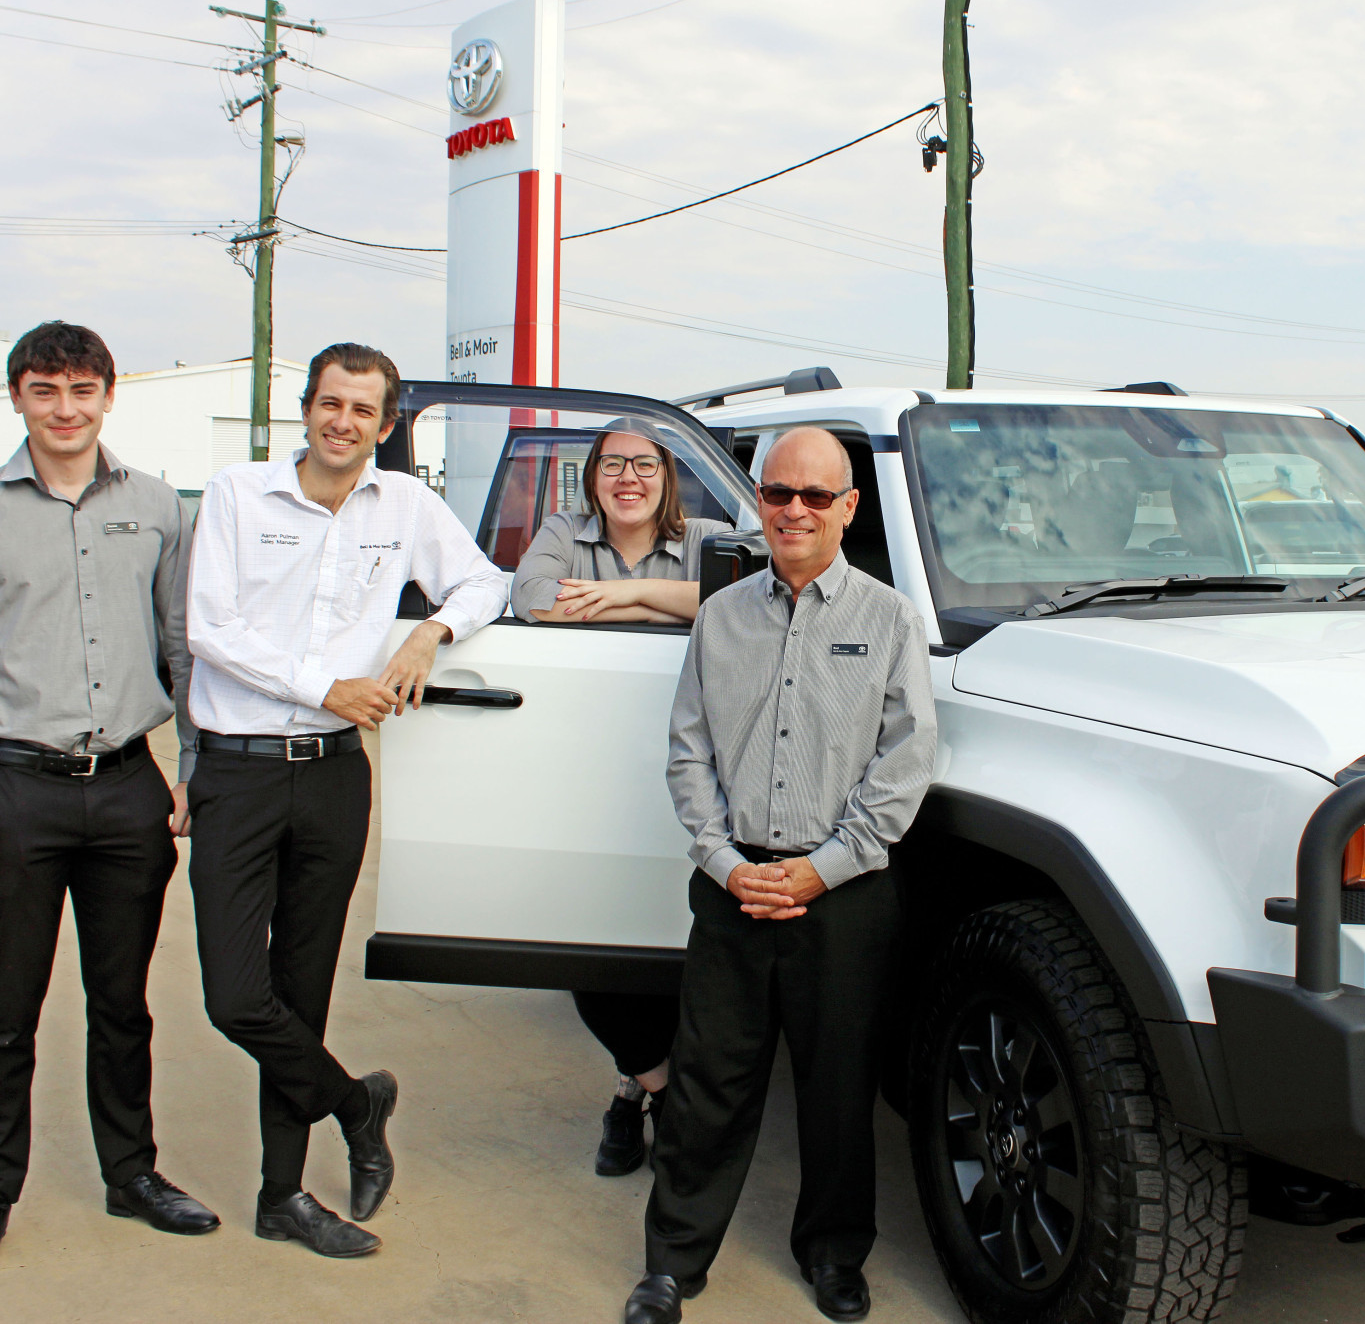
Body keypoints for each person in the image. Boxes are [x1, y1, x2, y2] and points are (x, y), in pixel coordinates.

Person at [0, 320, 218, 1288]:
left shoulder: (161, 506)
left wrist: (192, 767)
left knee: (121, 1004)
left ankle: (132, 1173)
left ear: (108, 397)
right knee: (6, 1007)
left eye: (83, 389)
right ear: (20, 399)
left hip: (127, 788)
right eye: (46, 390)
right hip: (17, 794)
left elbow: (184, 645)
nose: (66, 408)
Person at [184, 342, 508, 1257]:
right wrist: (323, 685)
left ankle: (281, 1194)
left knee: (302, 989)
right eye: (330, 403)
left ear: (386, 423)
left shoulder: (405, 504)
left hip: (333, 778)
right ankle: (356, 1102)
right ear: (307, 407)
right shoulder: (237, 495)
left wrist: (429, 632)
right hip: (239, 771)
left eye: (363, 410)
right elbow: (210, 629)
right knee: (237, 995)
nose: (343, 422)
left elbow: (487, 579)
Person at [626, 427, 938, 1324]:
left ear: (847, 508)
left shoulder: (887, 619)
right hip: (732, 893)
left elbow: (906, 762)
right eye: (777, 494)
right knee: (705, 1084)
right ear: (757, 503)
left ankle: (836, 1257)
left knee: (839, 1090)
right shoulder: (721, 616)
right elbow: (688, 756)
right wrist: (727, 865)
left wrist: (821, 870)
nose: (793, 510)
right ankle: (671, 1266)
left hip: (842, 899)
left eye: (813, 496)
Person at [510, 424, 730, 1176]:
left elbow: (753, 598)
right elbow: (537, 600)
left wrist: (626, 591)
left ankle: (624, 1092)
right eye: (612, 464)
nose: (628, 478)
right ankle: (658, 1087)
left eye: (643, 464)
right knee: (592, 945)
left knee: (675, 937)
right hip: (586, 763)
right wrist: (679, 609)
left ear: (667, 476)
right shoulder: (561, 532)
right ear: (591, 476)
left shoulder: (708, 535)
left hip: (699, 766)